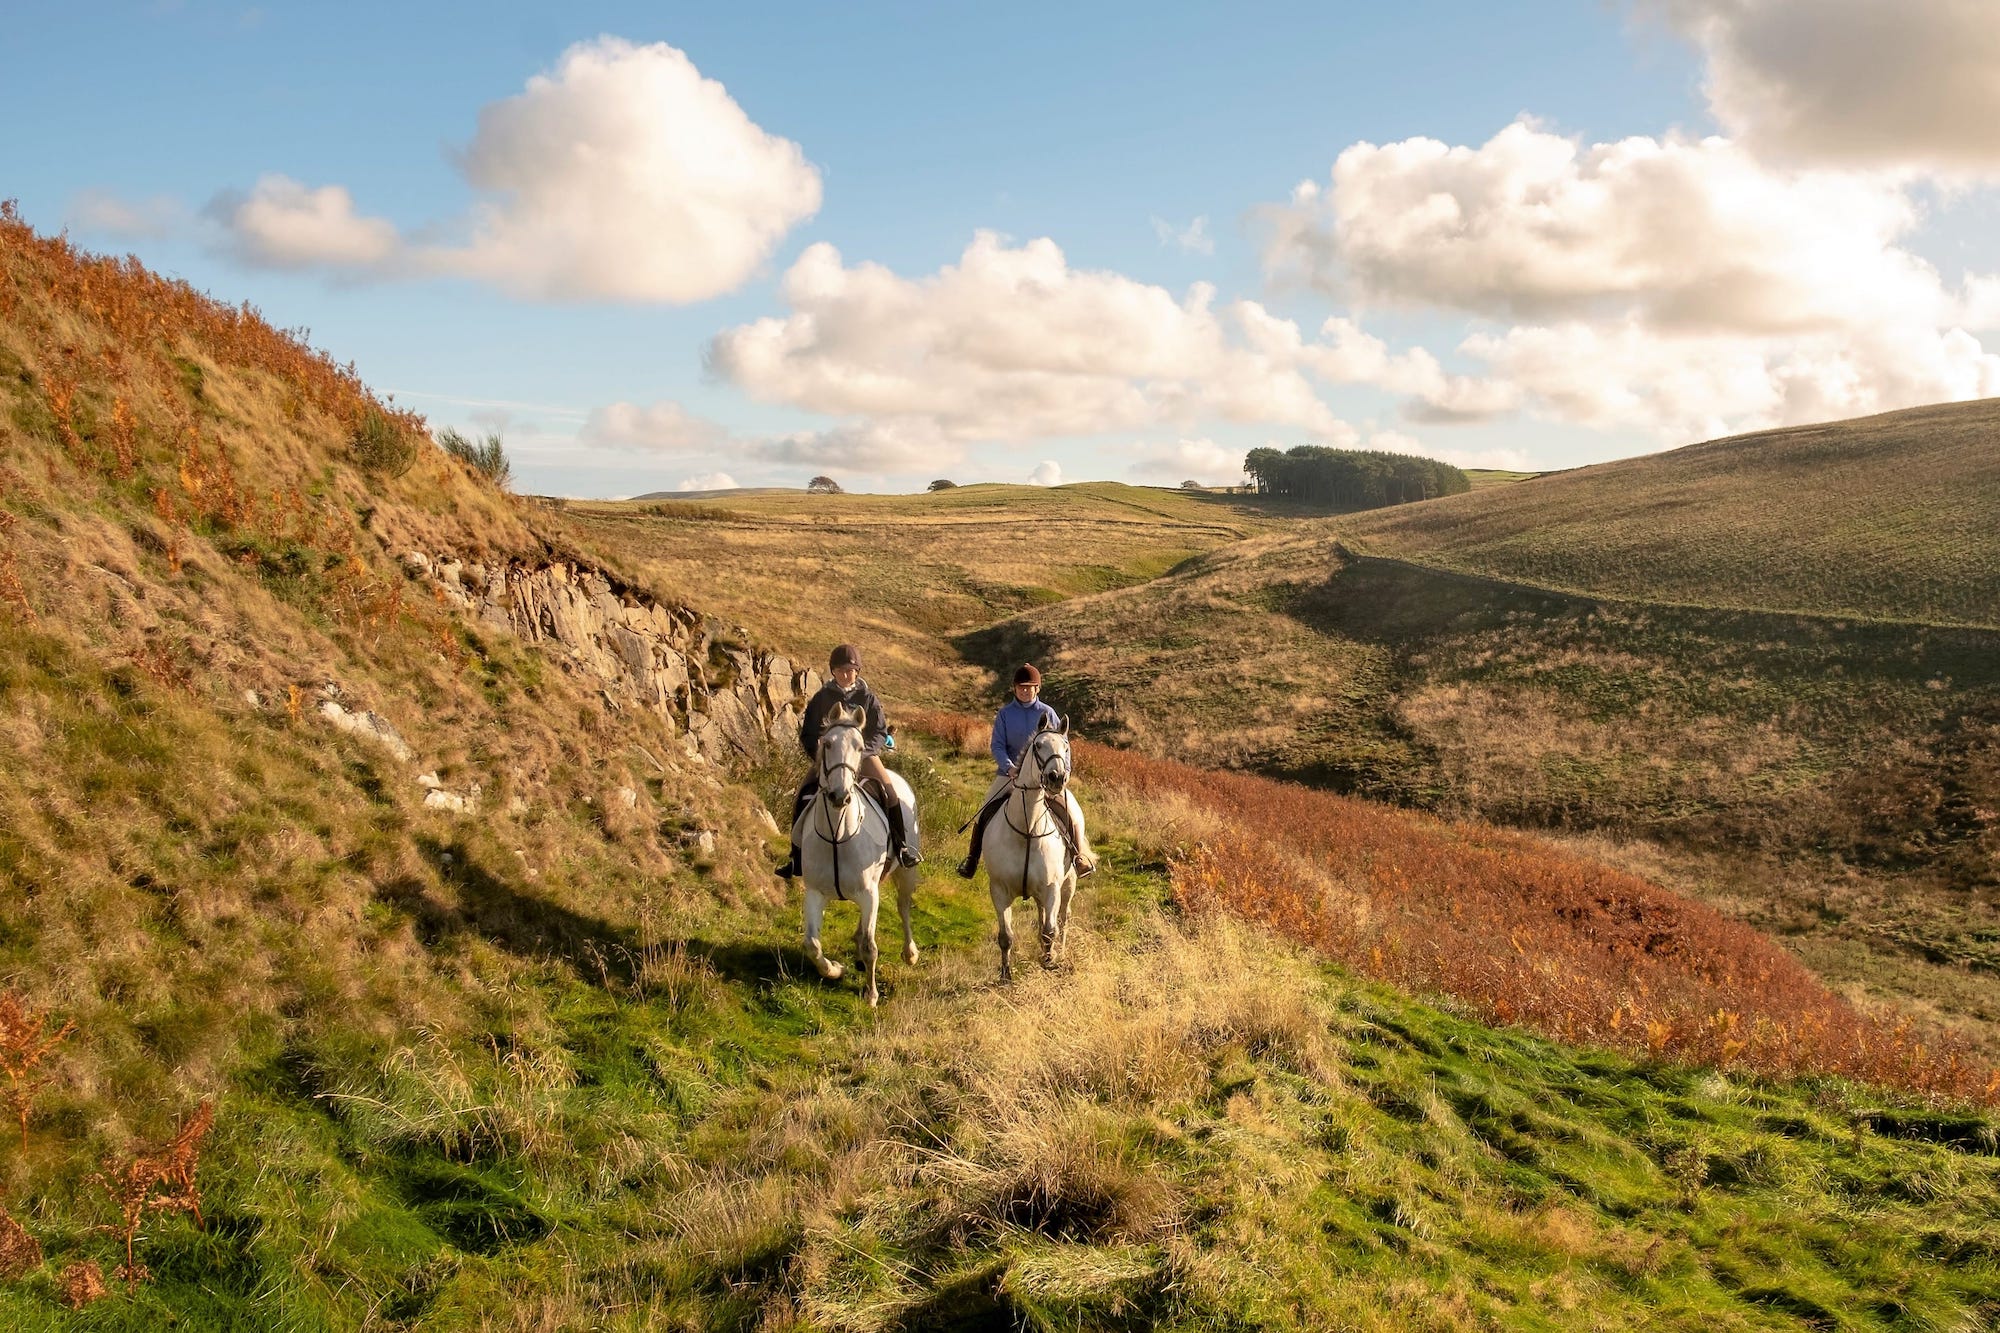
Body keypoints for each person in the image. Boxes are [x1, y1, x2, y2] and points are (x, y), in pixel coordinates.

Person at [778, 644, 921, 878]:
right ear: (833, 671)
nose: (846, 675)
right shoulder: (822, 698)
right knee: (803, 792)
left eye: (850, 670)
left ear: (857, 672)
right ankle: (796, 857)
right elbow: (808, 733)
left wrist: (864, 752)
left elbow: (879, 731)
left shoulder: (867, 698)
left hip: (863, 757)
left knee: (890, 792)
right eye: (841, 670)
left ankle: (902, 847)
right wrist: (820, 756)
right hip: (831, 761)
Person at [957, 663, 1096, 879]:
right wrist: (1009, 767)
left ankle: (1079, 858)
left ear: (1037, 689)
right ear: (1014, 688)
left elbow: (1063, 745)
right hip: (1009, 775)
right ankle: (972, 860)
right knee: (983, 812)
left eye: (1029, 687)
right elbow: (997, 746)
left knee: (1070, 812)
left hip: (1046, 777)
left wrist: (1064, 770)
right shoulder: (1005, 714)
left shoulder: (1048, 713)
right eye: (1021, 687)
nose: (1025, 690)